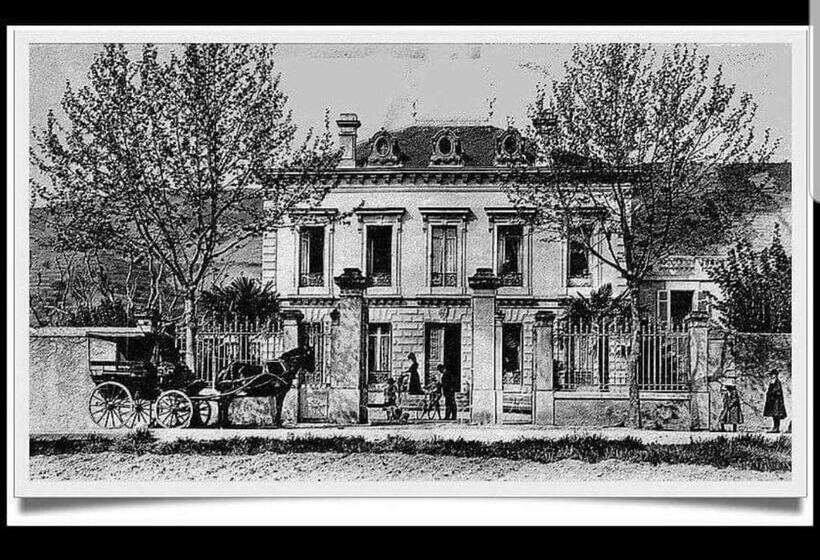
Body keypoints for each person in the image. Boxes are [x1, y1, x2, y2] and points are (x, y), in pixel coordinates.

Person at [763, 369, 787, 433]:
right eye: (771, 375)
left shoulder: (777, 382)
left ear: (776, 375)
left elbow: (777, 391)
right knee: (774, 415)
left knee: (777, 414)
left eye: (772, 375)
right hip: (772, 401)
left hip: (777, 402)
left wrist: (772, 393)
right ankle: (775, 427)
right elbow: (770, 390)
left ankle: (777, 428)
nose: (771, 376)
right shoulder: (772, 382)